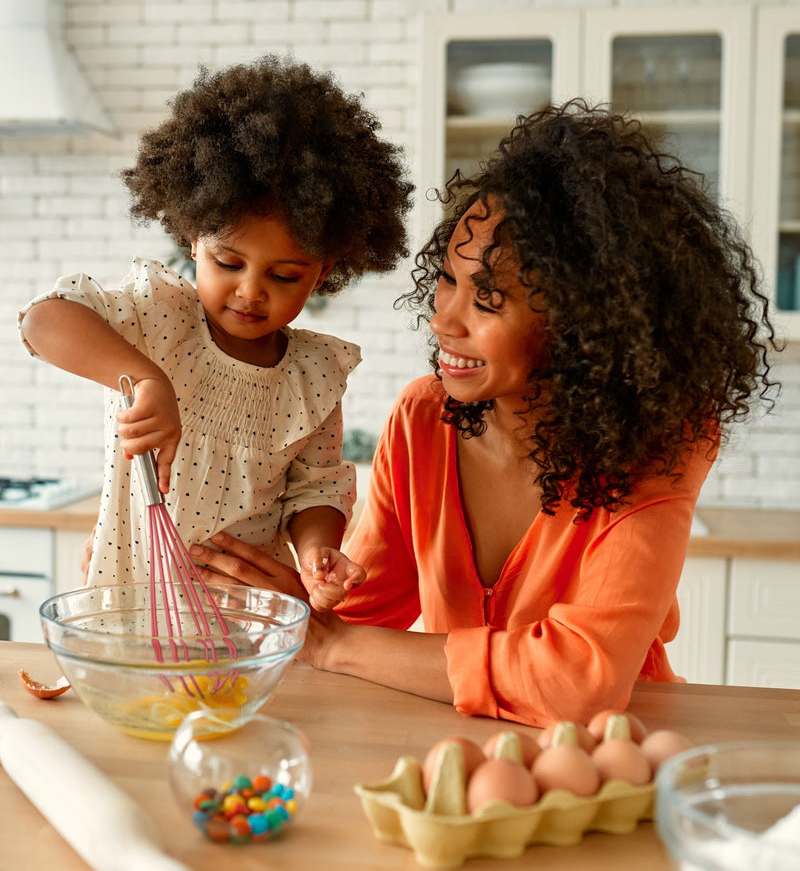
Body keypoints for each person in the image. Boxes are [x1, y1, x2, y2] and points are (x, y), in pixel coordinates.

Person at [191, 101, 776, 727]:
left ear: (588, 323)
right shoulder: (424, 418)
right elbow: (361, 615)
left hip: (611, 758)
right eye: (448, 280)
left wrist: (329, 640)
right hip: (459, 747)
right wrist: (277, 592)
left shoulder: (660, 447)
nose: (443, 320)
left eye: (489, 299)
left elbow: (578, 681)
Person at [19, 55, 413, 611]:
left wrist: (319, 549)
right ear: (193, 242)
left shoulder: (316, 374)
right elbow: (42, 319)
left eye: (283, 275)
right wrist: (146, 378)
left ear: (323, 273)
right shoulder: (157, 318)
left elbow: (317, 487)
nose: (251, 291)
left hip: (247, 614)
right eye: (229, 263)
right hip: (131, 599)